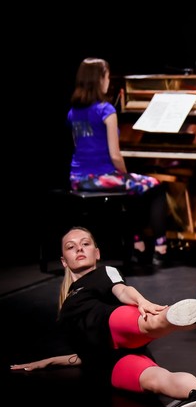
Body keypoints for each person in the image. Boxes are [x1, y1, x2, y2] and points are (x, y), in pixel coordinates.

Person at [10, 227, 196, 407]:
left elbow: (122, 290)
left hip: (109, 322)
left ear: (97, 253)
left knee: (150, 322)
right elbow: (85, 353)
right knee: (155, 380)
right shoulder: (67, 303)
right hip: (108, 363)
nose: (79, 248)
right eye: (71, 246)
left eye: (85, 244)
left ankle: (190, 315)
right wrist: (48, 362)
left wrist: (142, 301)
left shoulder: (103, 273)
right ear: (63, 261)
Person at [67, 57, 170, 266]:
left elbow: (78, 145)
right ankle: (161, 247)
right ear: (98, 80)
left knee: (132, 189)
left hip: (77, 178)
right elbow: (115, 155)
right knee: (155, 187)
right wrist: (125, 174)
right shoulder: (106, 110)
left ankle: (138, 243)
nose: (109, 81)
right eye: (107, 76)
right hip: (101, 177)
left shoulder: (73, 112)